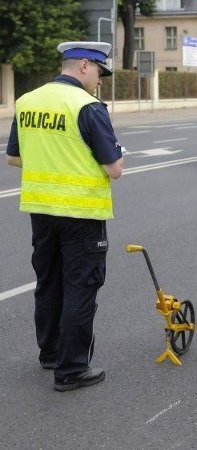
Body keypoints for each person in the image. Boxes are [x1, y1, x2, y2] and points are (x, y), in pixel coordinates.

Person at [5, 41, 124, 391]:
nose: (100, 80)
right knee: (80, 288)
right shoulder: (87, 106)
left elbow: (13, 157)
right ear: (84, 65)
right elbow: (114, 168)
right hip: (81, 212)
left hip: (41, 211)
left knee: (49, 282)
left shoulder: (27, 101)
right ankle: (71, 370)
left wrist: (52, 159)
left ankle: (50, 353)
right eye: (99, 73)